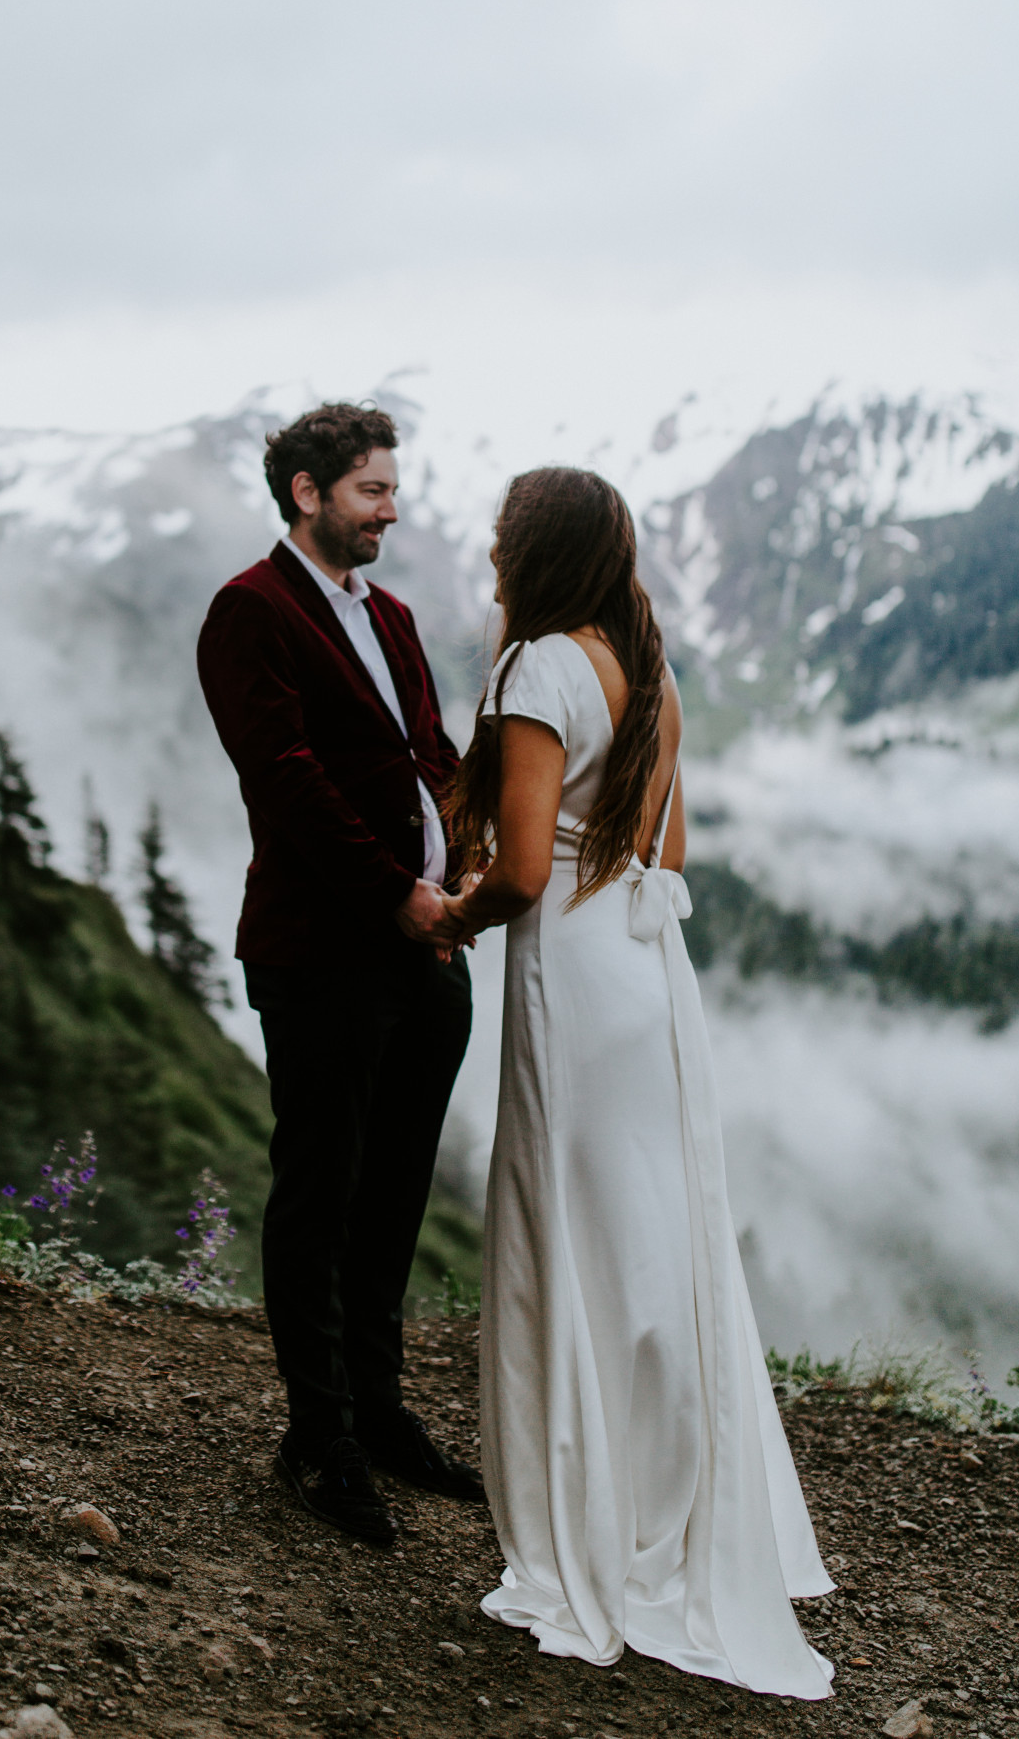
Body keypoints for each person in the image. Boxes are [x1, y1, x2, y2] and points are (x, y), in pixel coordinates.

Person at [439, 466, 834, 1699]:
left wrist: (442, 920)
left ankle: (585, 1524)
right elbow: (668, 849)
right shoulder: (648, 671)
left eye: (503, 535)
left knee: (567, 1231)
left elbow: (513, 863)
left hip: (565, 957)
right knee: (653, 1241)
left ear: (530, 551)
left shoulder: (537, 669)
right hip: (646, 964)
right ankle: (666, 1506)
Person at [196, 402, 481, 1549]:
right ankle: (317, 1441)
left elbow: (428, 752)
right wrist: (396, 894)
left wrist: (465, 872)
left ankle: (377, 1412)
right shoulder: (246, 612)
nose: (391, 510)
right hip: (322, 951)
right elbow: (284, 780)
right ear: (307, 492)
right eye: (370, 490)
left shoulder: (394, 614)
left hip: (427, 950)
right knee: (318, 1195)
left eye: (391, 488)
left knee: (395, 1193)